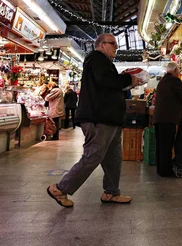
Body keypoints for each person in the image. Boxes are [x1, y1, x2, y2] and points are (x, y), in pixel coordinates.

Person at [47, 33, 144, 208]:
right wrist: (128, 79)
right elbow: (105, 81)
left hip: (110, 119)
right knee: (93, 156)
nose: (116, 47)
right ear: (100, 45)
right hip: (99, 119)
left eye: (116, 44)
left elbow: (107, 86)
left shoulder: (104, 62)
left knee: (113, 159)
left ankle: (111, 192)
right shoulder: (97, 59)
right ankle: (60, 188)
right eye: (112, 44)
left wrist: (127, 83)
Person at [153, 62, 182, 177]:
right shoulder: (174, 81)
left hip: (159, 118)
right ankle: (166, 171)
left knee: (160, 145)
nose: (179, 73)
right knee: (167, 146)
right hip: (168, 118)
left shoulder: (163, 81)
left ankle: (161, 169)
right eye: (178, 71)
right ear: (174, 70)